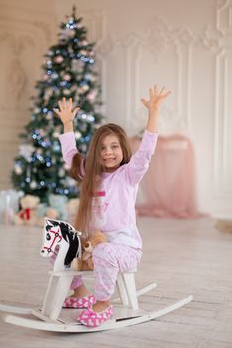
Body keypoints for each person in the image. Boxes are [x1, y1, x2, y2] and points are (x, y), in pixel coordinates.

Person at [54, 85, 170, 327]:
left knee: (104, 251)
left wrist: (154, 113)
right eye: (103, 148)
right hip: (93, 247)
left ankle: (103, 302)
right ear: (96, 152)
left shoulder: (129, 174)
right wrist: (67, 125)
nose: (108, 153)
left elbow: (146, 152)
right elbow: (71, 156)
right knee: (60, 242)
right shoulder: (91, 174)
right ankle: (81, 292)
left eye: (114, 146)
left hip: (124, 250)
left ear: (123, 149)